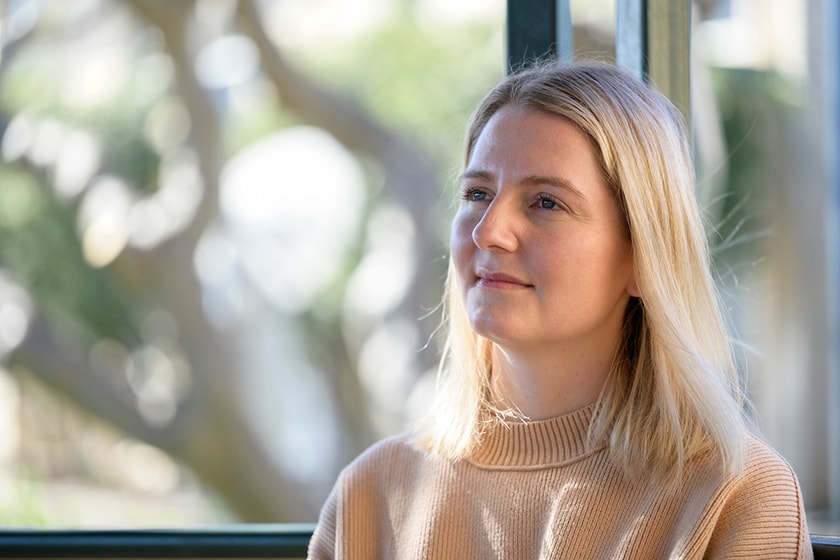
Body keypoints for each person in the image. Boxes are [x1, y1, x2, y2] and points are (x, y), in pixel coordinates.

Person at [307, 61, 813, 559]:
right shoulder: (369, 497)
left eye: (546, 202)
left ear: (642, 258)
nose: (488, 231)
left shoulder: (736, 497)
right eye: (477, 193)